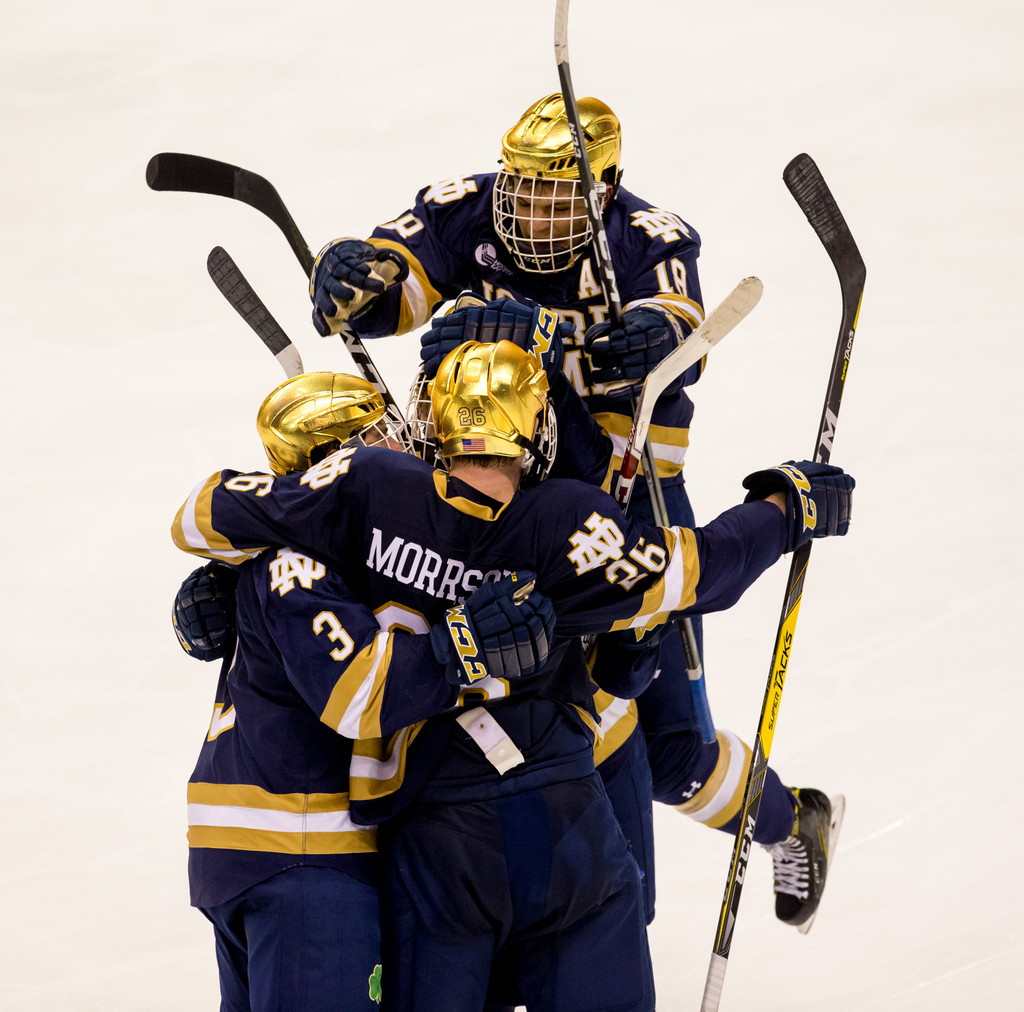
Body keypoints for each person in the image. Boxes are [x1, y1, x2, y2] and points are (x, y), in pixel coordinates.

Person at [171, 340, 855, 1009]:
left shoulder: (367, 498)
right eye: (376, 433)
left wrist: (625, 647)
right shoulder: (384, 503)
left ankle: (790, 820)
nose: (399, 438)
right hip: (365, 835)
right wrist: (784, 509)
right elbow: (700, 568)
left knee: (671, 760)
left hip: (508, 787)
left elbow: (205, 514)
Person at [305, 93, 838, 927]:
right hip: (491, 486)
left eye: (558, 194)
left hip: (623, 492)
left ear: (605, 185)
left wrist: (562, 336)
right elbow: (389, 284)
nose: (534, 211)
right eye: (523, 188)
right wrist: (353, 275)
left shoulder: (651, 238)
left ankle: (786, 818)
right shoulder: (462, 208)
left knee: (665, 750)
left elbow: (670, 336)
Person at [174, 370, 557, 1011]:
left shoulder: (336, 548)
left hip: (248, 840)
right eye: (377, 437)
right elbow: (362, 696)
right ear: (329, 467)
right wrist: (464, 645)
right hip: (301, 843)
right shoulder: (305, 560)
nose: (404, 444)